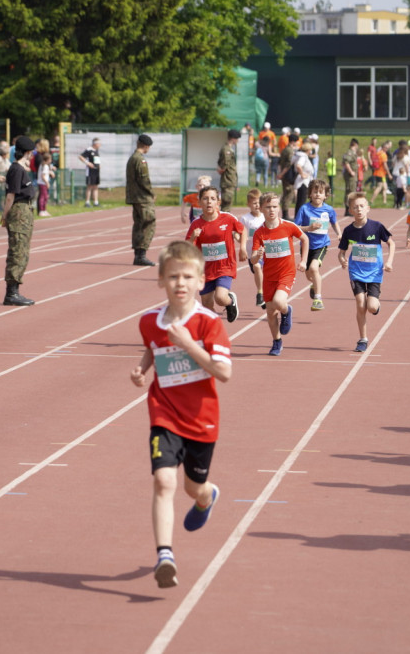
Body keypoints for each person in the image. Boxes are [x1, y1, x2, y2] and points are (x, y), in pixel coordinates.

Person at [129, 240, 232, 589]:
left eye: (188, 276)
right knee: (163, 482)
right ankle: (165, 556)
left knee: (194, 487)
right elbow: (153, 346)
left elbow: (223, 373)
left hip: (203, 417)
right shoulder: (148, 322)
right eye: (173, 276)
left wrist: (190, 345)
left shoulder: (209, 323)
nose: (180, 283)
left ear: (201, 281)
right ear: (161, 280)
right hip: (165, 412)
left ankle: (207, 497)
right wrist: (142, 369)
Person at [250, 192, 308, 356]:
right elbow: (253, 260)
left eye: (275, 207)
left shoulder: (288, 226)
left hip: (286, 273)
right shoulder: (259, 233)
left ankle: (286, 311)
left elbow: (304, 239)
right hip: (269, 276)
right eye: (268, 207)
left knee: (278, 301)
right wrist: (258, 255)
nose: (271, 210)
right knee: (270, 312)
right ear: (261, 209)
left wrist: (303, 261)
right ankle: (277, 341)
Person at [338, 192, 395, 353]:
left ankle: (375, 306)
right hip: (356, 272)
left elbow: (391, 243)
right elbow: (341, 252)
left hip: (375, 273)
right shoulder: (349, 231)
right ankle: (363, 339)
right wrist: (342, 259)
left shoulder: (376, 226)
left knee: (371, 306)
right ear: (350, 210)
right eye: (355, 207)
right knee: (360, 304)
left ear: (368, 208)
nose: (359, 209)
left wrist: (389, 261)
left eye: (362, 206)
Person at [186, 186, 246, 322]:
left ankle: (230, 302)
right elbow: (188, 249)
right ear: (199, 203)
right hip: (205, 269)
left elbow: (243, 231)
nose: (209, 202)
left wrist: (242, 248)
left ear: (218, 202)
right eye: (205, 199)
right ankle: (215, 327)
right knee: (207, 305)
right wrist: (192, 238)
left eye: (213, 199)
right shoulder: (196, 224)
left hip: (225, 266)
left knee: (220, 297)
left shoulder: (227, 218)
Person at [294, 179, 342, 312]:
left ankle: (318, 299)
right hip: (306, 246)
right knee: (309, 274)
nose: (317, 195)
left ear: (325, 195)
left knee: (314, 268)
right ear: (310, 194)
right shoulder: (304, 209)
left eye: (320, 192)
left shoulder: (329, 210)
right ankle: (314, 284)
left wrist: (339, 234)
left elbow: (334, 222)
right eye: (315, 192)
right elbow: (295, 228)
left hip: (321, 245)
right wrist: (309, 228)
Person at [1, 135, 38, 306]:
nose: (32, 156)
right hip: (19, 211)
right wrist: (5, 215)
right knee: (18, 251)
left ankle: (14, 291)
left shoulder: (20, 169)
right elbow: (11, 196)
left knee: (22, 251)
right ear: (28, 152)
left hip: (24, 212)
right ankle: (12, 293)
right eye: (31, 153)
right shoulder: (16, 169)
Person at [126, 134, 157, 267]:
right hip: (143, 197)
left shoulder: (132, 158)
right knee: (148, 224)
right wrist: (151, 192)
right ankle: (141, 254)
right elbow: (144, 180)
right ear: (146, 146)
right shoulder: (140, 160)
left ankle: (138, 255)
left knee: (139, 224)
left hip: (135, 197)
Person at [239, 188, 265, 308]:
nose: (257, 205)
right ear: (248, 204)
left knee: (260, 268)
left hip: (266, 252)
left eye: (259, 202)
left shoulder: (265, 217)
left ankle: (261, 294)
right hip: (251, 253)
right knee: (256, 268)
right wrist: (242, 246)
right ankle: (262, 293)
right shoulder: (245, 219)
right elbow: (240, 233)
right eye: (254, 203)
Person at [217, 129, 240, 211]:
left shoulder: (228, 149)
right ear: (233, 138)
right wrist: (222, 170)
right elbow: (225, 164)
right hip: (228, 179)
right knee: (226, 203)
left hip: (230, 179)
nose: (238, 141)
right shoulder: (227, 150)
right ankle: (224, 221)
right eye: (237, 139)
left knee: (227, 203)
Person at [79, 138, 101, 207]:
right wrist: (88, 163)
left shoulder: (96, 151)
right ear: (95, 143)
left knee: (95, 186)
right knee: (89, 186)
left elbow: (96, 160)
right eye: (99, 143)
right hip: (90, 171)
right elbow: (81, 157)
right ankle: (87, 202)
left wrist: (99, 165)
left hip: (96, 170)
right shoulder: (89, 150)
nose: (100, 145)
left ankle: (96, 202)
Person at [341, 139, 359, 211]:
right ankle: (349, 208)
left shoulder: (352, 153)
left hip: (352, 175)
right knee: (351, 191)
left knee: (351, 191)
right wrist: (351, 171)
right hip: (350, 175)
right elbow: (346, 163)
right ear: (355, 145)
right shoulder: (350, 153)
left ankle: (349, 208)